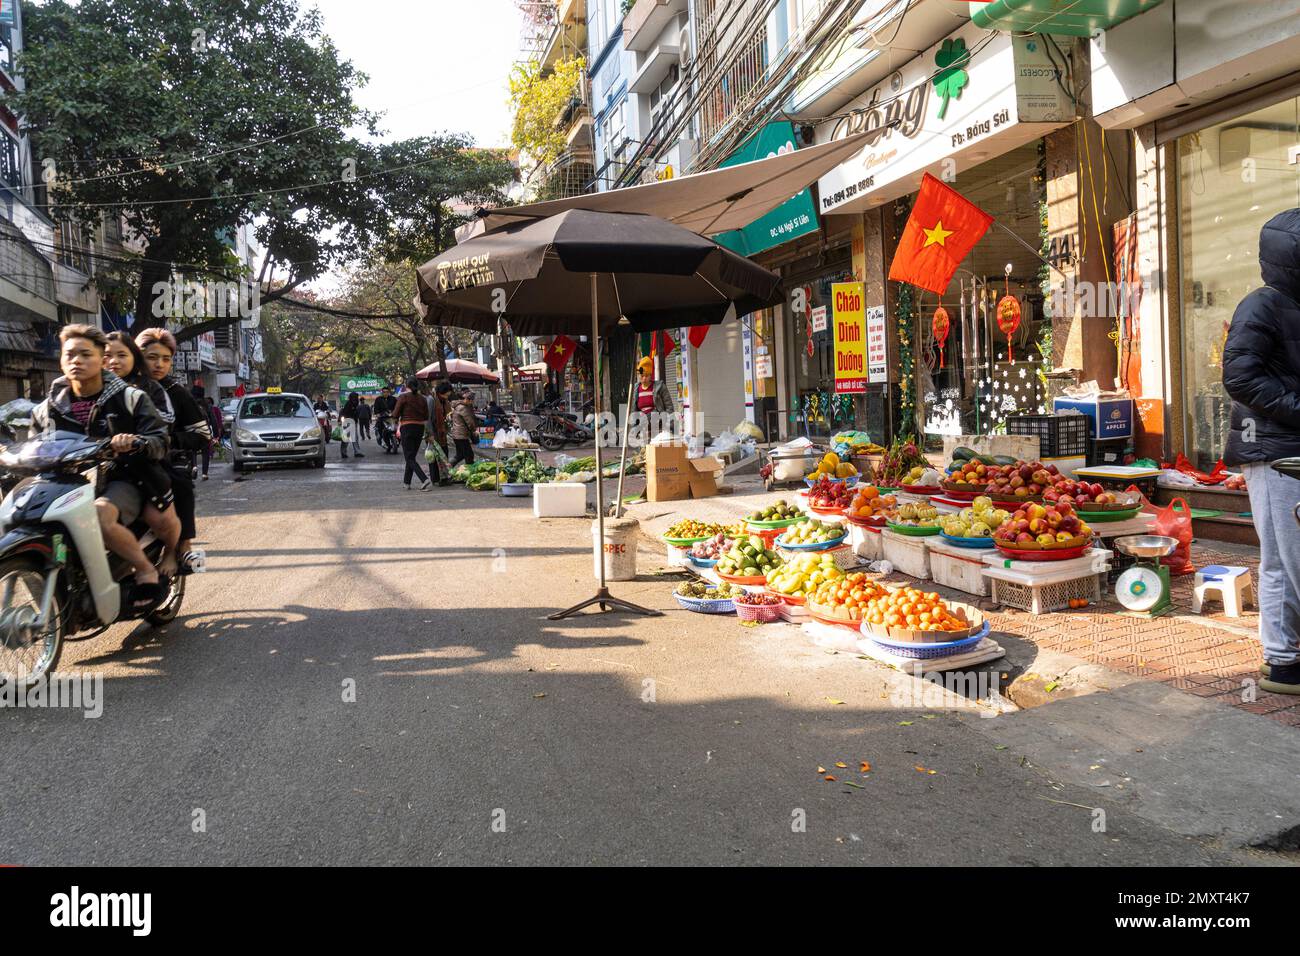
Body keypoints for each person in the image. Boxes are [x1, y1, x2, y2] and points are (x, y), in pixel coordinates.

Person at [31, 325, 171, 611]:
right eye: (70, 355)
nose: (77, 361)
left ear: (101, 358)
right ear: (61, 359)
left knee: (98, 514)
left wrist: (135, 442)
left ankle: (144, 569)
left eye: (85, 354)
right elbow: (35, 446)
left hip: (121, 478)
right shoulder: (47, 408)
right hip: (64, 482)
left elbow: (160, 440)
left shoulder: (131, 398)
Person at [1223, 208, 1300, 697]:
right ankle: (1284, 662)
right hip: (1273, 453)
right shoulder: (1262, 306)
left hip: (1287, 447)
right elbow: (1241, 378)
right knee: (1285, 559)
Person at [103, 331, 182, 578]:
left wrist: (135, 438)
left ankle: (173, 551)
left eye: (121, 355)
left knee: (162, 512)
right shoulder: (75, 390)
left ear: (133, 358)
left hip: (143, 463)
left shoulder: (145, 390)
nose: (113, 361)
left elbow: (164, 424)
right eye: (107, 356)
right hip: (94, 469)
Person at [137, 328, 211, 575]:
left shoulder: (176, 393)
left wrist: (168, 440)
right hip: (128, 460)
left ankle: (180, 547)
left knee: (178, 482)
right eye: (152, 357)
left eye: (166, 359)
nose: (159, 364)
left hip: (168, 459)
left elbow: (203, 436)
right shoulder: (122, 387)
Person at [392, 379, 431, 490]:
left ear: (406, 385)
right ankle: (407, 483)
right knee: (411, 456)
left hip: (407, 427)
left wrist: (394, 417)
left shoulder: (403, 397)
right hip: (419, 428)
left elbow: (395, 414)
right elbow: (426, 416)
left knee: (409, 457)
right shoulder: (423, 399)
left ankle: (424, 479)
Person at [635, 356, 675, 426]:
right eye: (642, 375)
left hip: (659, 424)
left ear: (651, 375)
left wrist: (669, 426)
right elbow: (632, 411)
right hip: (642, 427)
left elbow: (669, 407)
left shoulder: (660, 387)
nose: (644, 378)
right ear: (638, 375)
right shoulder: (635, 389)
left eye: (646, 375)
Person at [450, 389, 479, 468]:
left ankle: (448, 467)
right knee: (469, 455)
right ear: (467, 399)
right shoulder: (463, 408)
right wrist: (474, 431)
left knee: (460, 455)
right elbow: (469, 421)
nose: (472, 402)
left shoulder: (458, 406)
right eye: (471, 401)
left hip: (457, 435)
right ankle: (470, 472)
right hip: (461, 435)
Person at [201, 396, 224, 479]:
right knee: (206, 449)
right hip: (208, 429)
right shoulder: (208, 408)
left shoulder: (215, 409)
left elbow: (218, 419)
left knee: (212, 444)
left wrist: (219, 428)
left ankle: (195, 466)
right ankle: (204, 472)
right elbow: (214, 420)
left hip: (205, 429)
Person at [339, 392, 364, 459]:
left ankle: (356, 452)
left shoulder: (355, 404)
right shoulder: (349, 404)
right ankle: (344, 452)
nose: (354, 399)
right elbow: (344, 412)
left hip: (353, 422)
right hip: (348, 422)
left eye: (355, 397)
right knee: (346, 438)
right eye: (353, 397)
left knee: (354, 438)